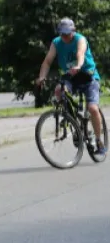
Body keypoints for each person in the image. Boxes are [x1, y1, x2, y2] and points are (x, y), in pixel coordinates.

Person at [36, 17, 106, 155]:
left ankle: (99, 141)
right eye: (62, 34)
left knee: (92, 108)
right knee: (59, 91)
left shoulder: (80, 39)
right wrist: (42, 77)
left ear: (73, 31)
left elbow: (80, 53)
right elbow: (47, 61)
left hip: (88, 76)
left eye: (67, 33)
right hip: (71, 77)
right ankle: (74, 122)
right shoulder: (56, 43)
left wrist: (78, 65)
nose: (65, 37)